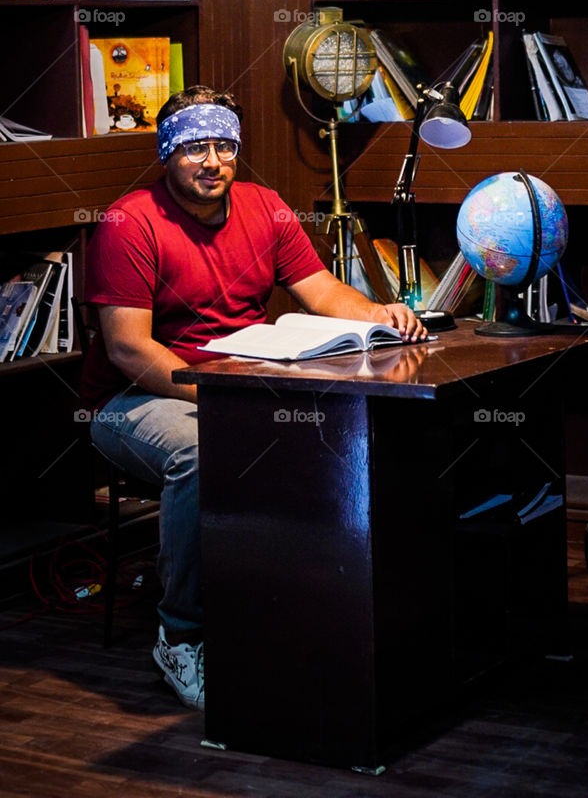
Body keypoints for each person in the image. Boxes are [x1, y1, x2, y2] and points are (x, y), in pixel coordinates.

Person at [80, 84, 427, 711]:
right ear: (166, 154)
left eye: (224, 147)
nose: (212, 161)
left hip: (241, 380)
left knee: (337, 426)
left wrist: (380, 314)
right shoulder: (129, 223)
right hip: (136, 400)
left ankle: (292, 607)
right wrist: (220, 397)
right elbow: (129, 350)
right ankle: (181, 635)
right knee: (201, 451)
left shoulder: (264, 207)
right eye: (195, 149)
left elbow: (321, 291)